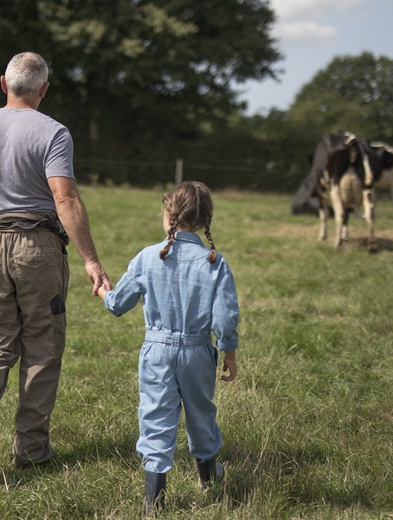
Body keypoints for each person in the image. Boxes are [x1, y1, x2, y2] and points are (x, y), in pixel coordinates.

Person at [0, 51, 112, 480]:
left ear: (3, 83)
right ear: (44, 89)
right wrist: (91, 260)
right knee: (41, 347)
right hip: (38, 247)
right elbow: (66, 198)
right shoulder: (54, 132)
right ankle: (31, 450)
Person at [97, 181, 239, 514]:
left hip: (157, 353)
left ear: (168, 214)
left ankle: (154, 501)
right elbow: (225, 318)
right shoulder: (215, 262)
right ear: (205, 221)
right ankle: (208, 479)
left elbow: (118, 304)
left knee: (156, 417)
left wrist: (103, 290)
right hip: (198, 351)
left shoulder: (147, 257)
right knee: (201, 413)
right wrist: (229, 352)